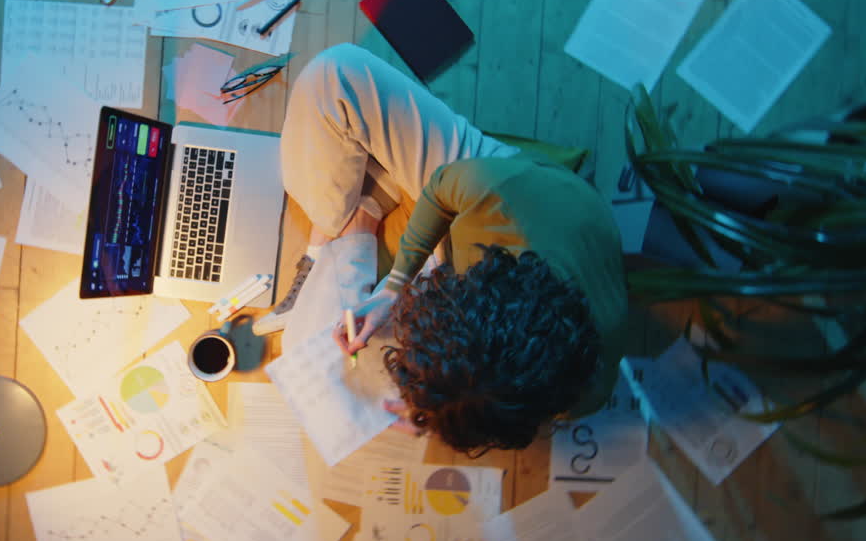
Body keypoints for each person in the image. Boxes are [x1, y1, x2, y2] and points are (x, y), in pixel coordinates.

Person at [255, 44, 629, 454]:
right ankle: (349, 226)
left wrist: (438, 410)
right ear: (460, 287)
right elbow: (441, 190)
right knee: (333, 73)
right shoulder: (497, 196)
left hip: (529, 251)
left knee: (305, 346)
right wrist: (392, 289)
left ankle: (352, 223)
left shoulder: (579, 391)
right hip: (513, 195)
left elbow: (489, 395)